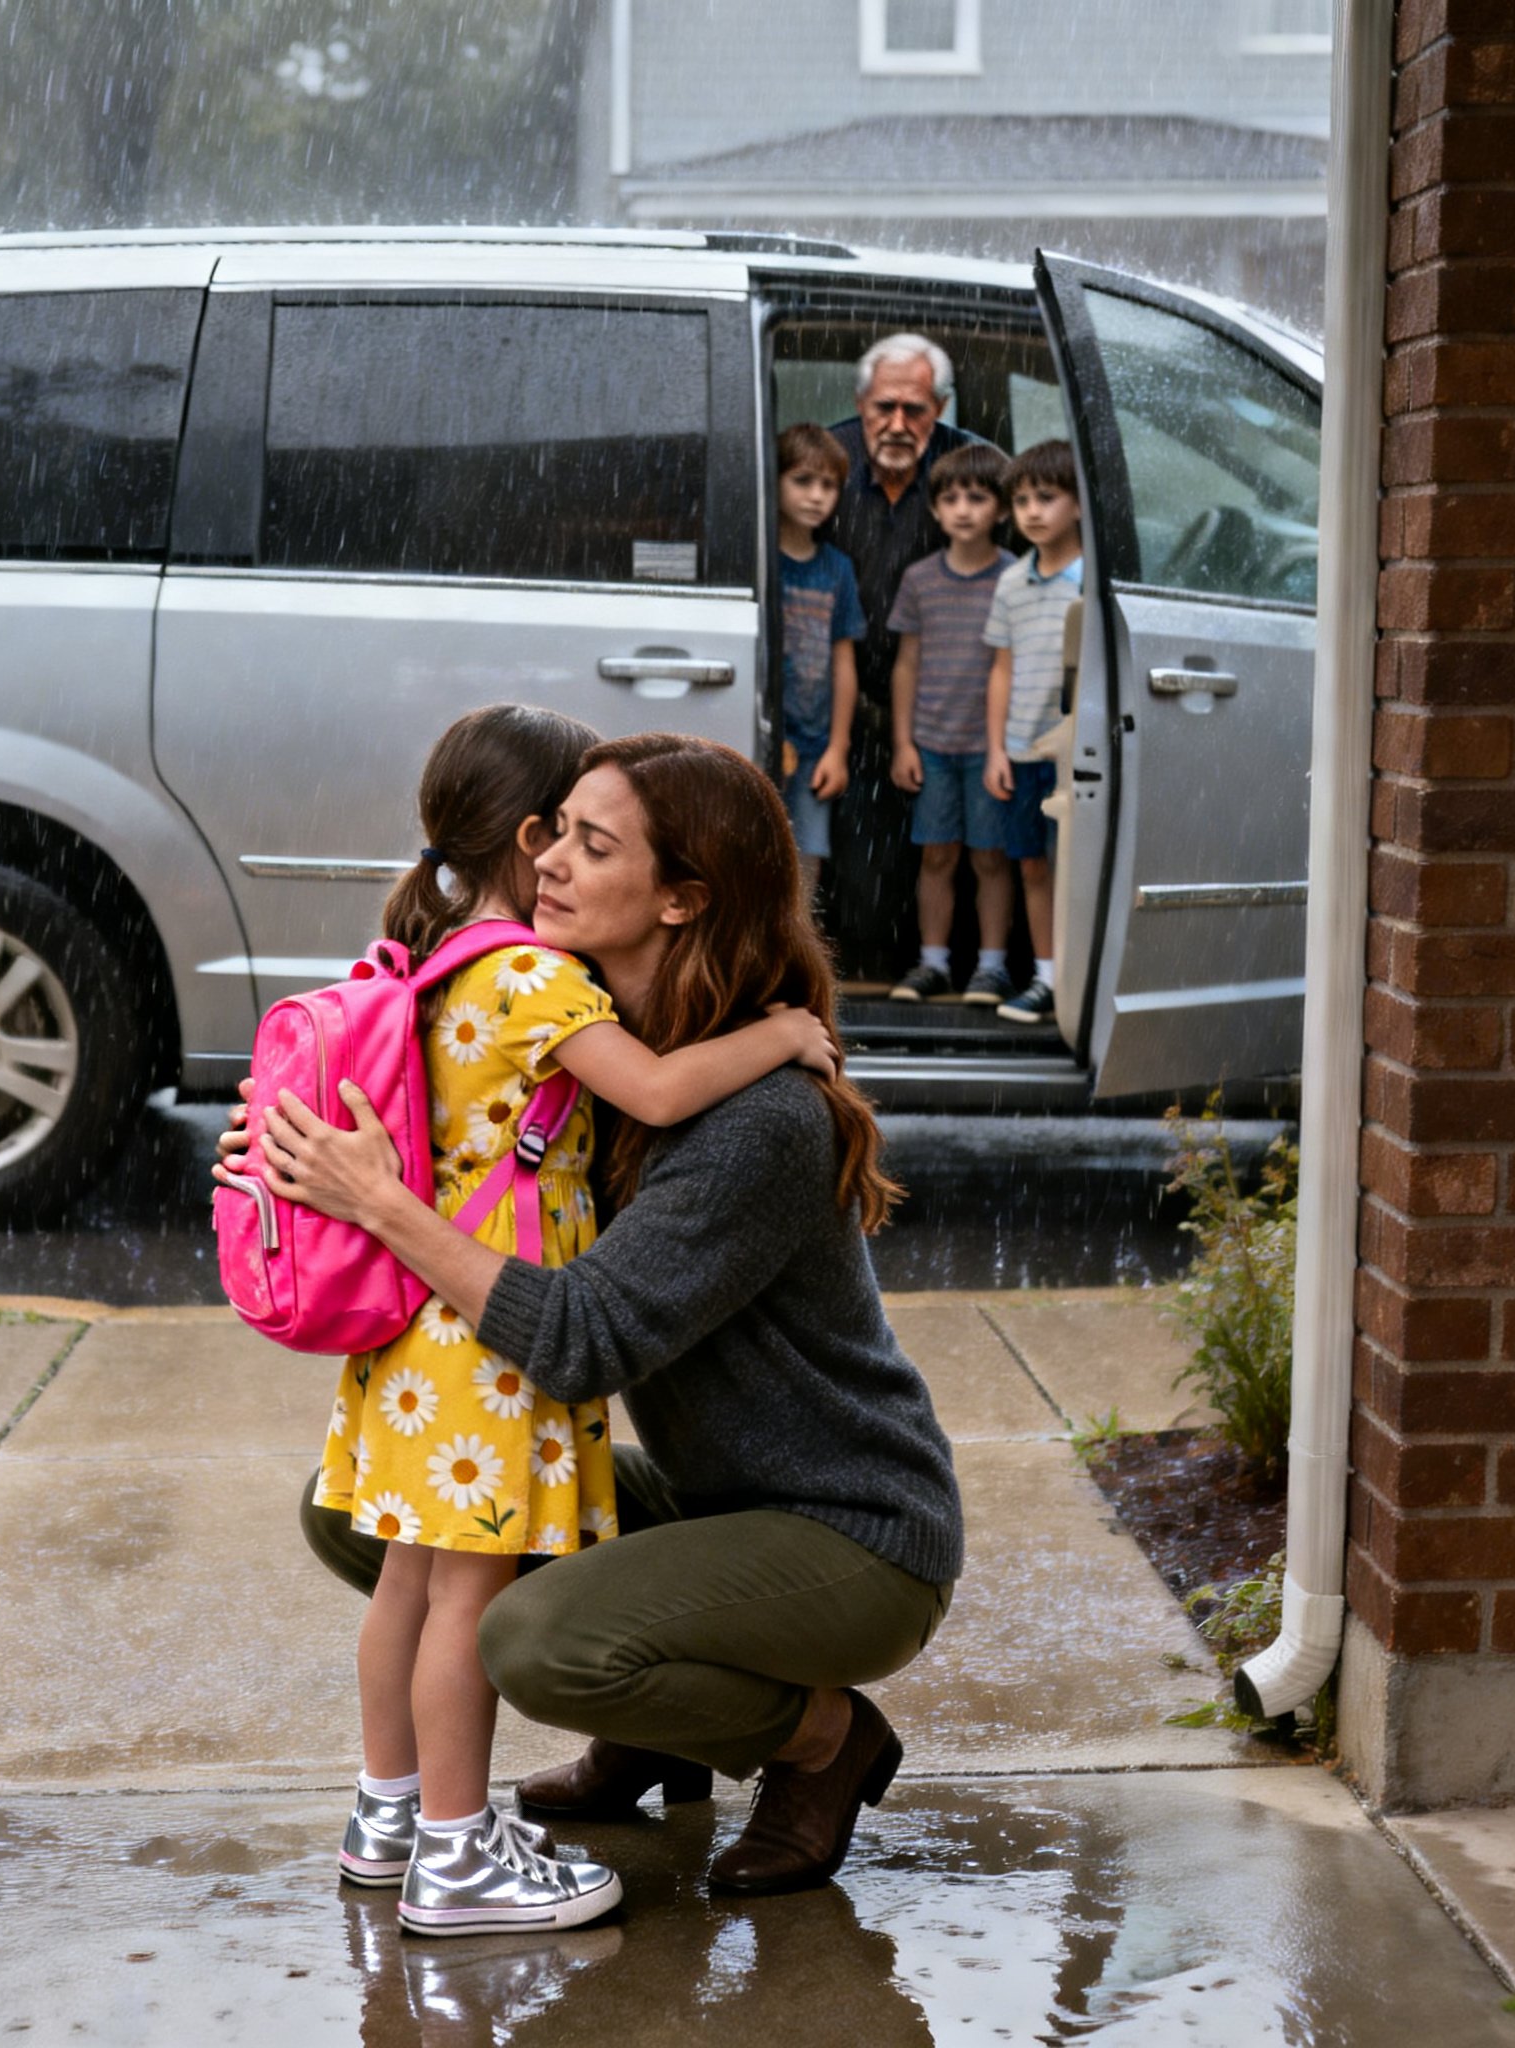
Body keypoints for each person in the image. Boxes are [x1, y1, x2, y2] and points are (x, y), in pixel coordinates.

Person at [254, 733, 963, 1903]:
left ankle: (821, 1740)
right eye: (555, 831)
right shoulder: (587, 1053)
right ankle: (656, 1727)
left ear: (683, 898)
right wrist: (289, 1154)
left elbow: (581, 1337)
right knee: (366, 1515)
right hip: (712, 1496)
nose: (551, 863)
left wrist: (379, 1205)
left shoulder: (755, 1121)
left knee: (537, 1640)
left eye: (596, 844)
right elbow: (441, 1140)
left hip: (847, 1528)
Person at [822, 334, 987, 978]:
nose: (897, 424)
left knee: (967, 855)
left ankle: (949, 976)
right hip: (846, 704)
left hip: (953, 705)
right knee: (861, 864)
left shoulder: (975, 470)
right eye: (883, 406)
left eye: (915, 410)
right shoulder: (819, 463)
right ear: (861, 402)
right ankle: (860, 990)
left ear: (939, 406)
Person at [886, 442, 1017, 1005]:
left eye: (978, 497)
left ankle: (992, 967)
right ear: (935, 509)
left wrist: (1003, 747)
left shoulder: (1016, 578)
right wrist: (902, 743)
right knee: (936, 855)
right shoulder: (920, 579)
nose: (963, 509)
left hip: (993, 746)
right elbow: (907, 661)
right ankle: (932, 962)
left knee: (990, 857)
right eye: (951, 498)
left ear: (1002, 511)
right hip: (933, 743)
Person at [981, 439, 1084, 1025]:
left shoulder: (1093, 578)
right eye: (1021, 500)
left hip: (1077, 753)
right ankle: (1045, 976)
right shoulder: (1012, 581)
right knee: (1032, 866)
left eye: (1047, 497)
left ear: (1078, 503)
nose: (1032, 511)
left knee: (1075, 865)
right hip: (1022, 750)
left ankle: (1075, 977)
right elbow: (1002, 668)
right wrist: (996, 748)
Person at [774, 423, 864, 906]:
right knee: (758, 848)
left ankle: (800, 948)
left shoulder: (836, 569)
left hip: (815, 746)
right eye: (803, 481)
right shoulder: (761, 560)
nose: (816, 496)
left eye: (828, 485)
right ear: (777, 481)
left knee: (808, 851)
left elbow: (842, 660)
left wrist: (837, 748)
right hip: (765, 737)